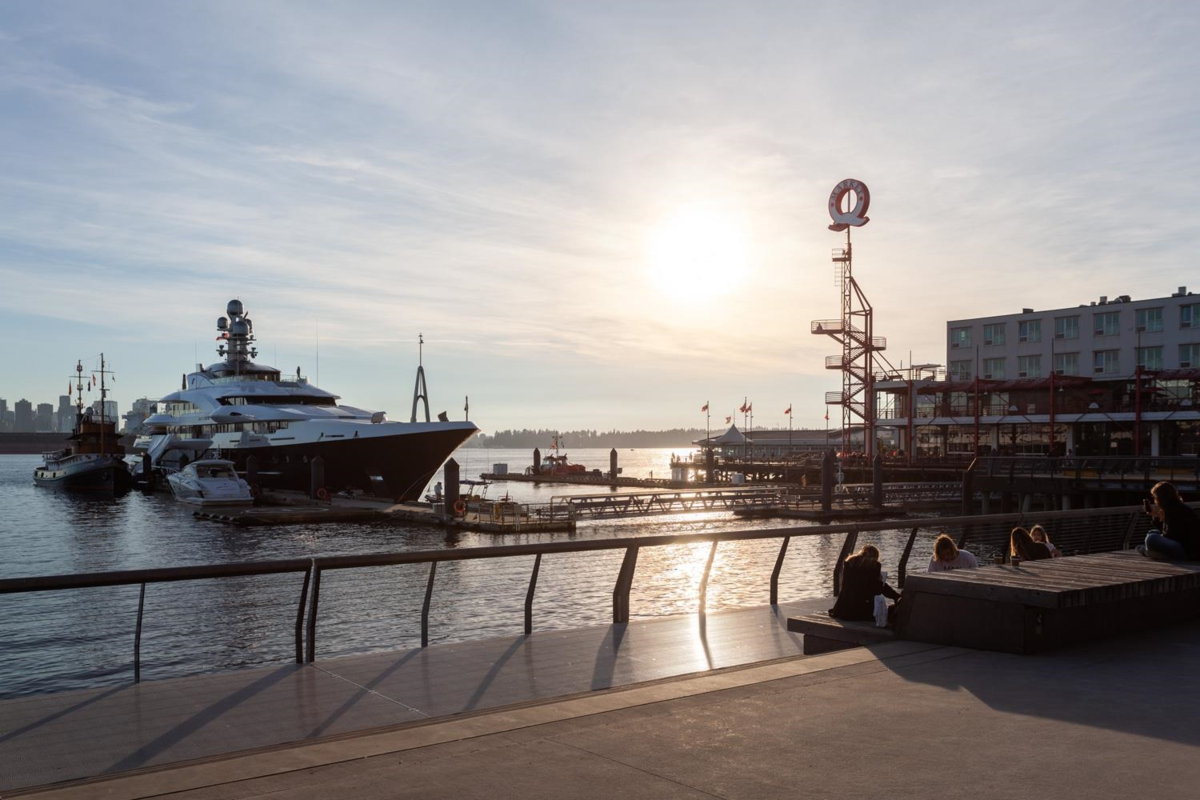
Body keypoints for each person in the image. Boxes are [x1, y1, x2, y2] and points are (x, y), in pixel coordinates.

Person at [829, 544, 900, 621]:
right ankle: (897, 597)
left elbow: (847, 585)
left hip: (843, 610)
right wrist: (880, 581)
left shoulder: (849, 563)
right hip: (860, 611)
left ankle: (896, 597)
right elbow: (876, 589)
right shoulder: (874, 565)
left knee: (881, 585)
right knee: (888, 612)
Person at [1138, 481, 1200, 561]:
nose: (1155, 501)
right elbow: (1170, 532)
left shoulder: (1172, 510)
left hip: (1186, 552)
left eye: (1155, 497)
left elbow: (1171, 536)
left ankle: (1150, 552)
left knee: (1151, 538)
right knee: (1152, 532)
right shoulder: (1176, 506)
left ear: (1161, 497)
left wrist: (1161, 535)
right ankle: (1153, 553)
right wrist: (1155, 517)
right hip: (1184, 546)